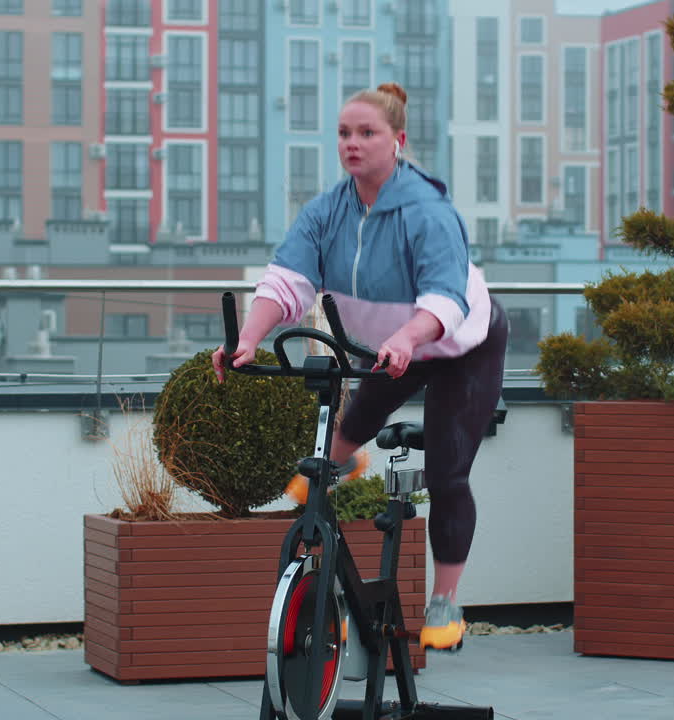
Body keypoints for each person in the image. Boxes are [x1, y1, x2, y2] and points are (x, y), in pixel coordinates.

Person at [211, 82, 507, 652]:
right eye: (345, 133)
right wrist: (248, 338)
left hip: (457, 346)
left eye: (366, 133)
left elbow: (446, 297)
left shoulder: (427, 212)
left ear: (396, 141)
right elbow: (288, 282)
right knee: (355, 417)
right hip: (390, 346)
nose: (352, 143)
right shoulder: (327, 211)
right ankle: (347, 461)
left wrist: (408, 336)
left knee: (447, 474)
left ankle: (446, 601)